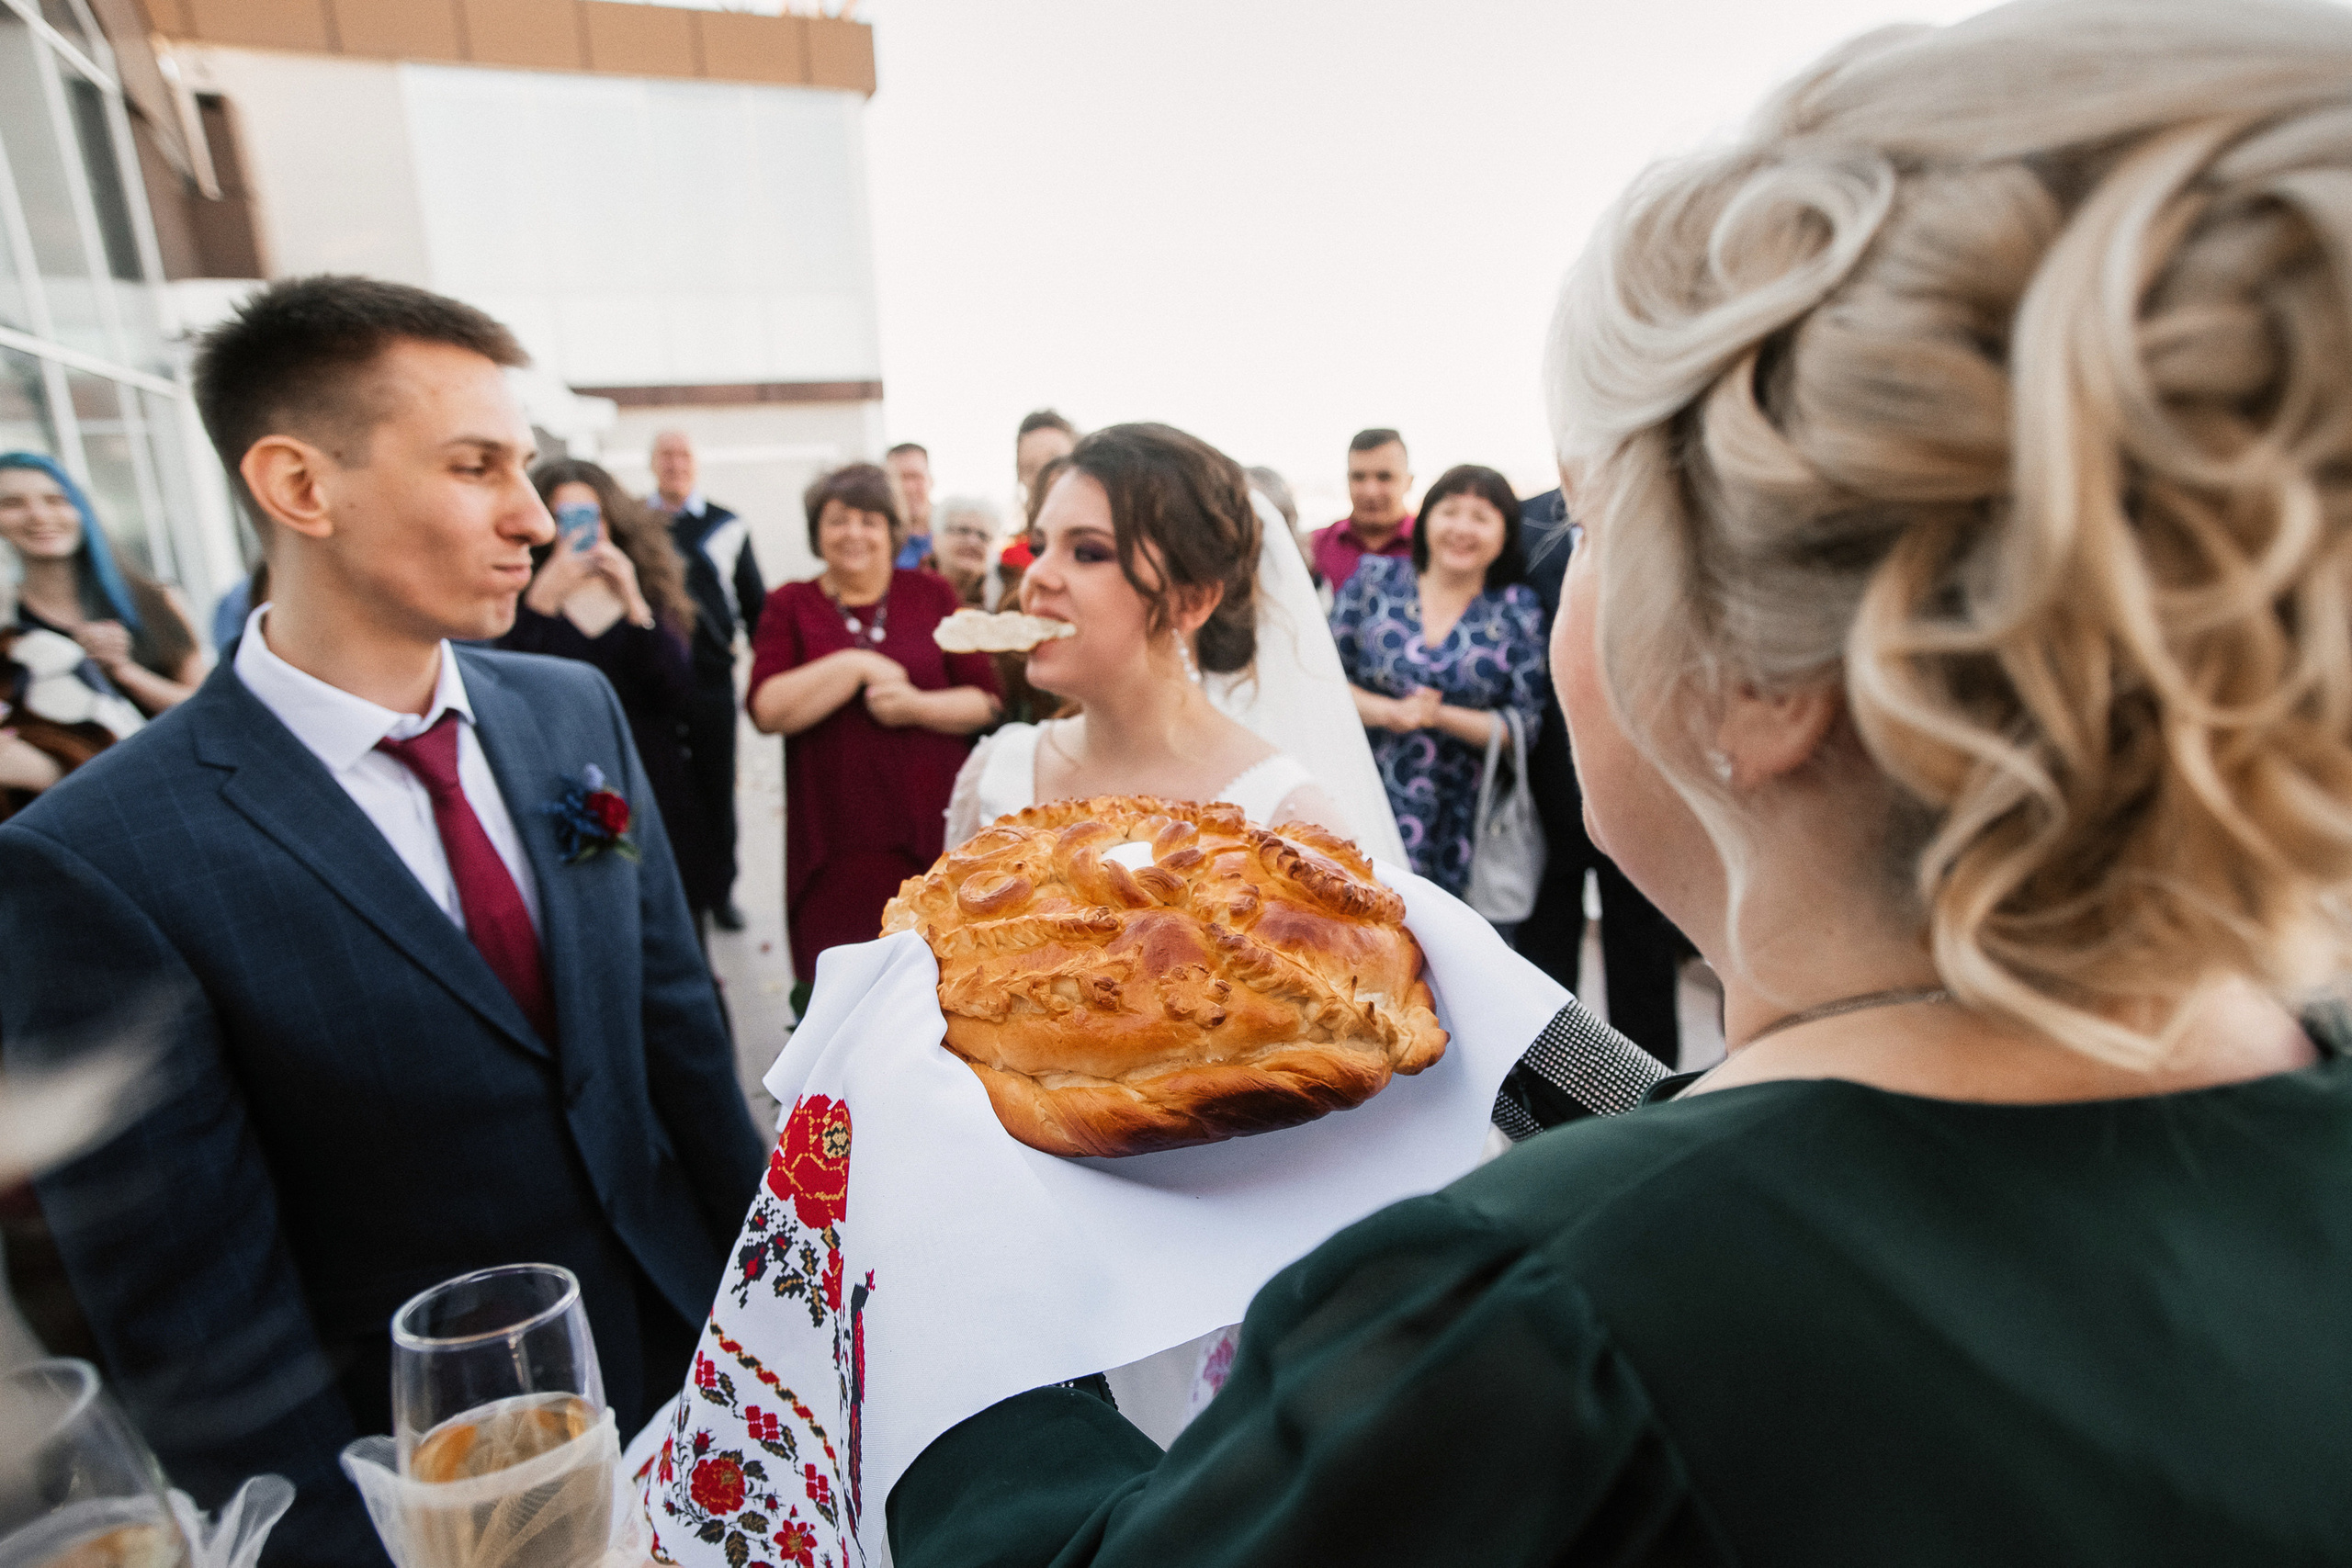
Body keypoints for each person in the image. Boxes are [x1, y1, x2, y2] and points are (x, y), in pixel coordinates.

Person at [886, 4, 2352, 1560]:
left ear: (1759, 681)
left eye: (1583, 525)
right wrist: (1583, 1070)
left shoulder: (1526, 1319)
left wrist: (959, 1275)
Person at [0, 276, 764, 1566]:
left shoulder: (568, 709)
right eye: (475, 467)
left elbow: (678, 1039)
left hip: (695, 1367)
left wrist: (777, 1325)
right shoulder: (97, 861)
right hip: (431, 1482)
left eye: (523, 465)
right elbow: (195, 1321)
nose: (533, 515)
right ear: (301, 486)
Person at [945, 424, 1353, 850]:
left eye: (1088, 553)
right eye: (1039, 548)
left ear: (1192, 600)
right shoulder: (997, 772)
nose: (1036, 576)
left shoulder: (1285, 820)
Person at [746, 463, 1001, 1014]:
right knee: (844, 1004)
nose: (854, 533)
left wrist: (916, 706)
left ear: (893, 530)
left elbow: (986, 702)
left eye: (869, 520)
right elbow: (767, 709)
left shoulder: (931, 594)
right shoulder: (790, 603)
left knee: (942, 1002)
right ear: (817, 531)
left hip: (933, 837)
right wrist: (855, 664)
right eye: (838, 520)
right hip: (835, 844)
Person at [501, 458, 722, 921]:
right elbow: (506, 689)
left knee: (670, 913)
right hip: (561, 779)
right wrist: (541, 601)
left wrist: (634, 602)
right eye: (565, 517)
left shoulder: (644, 583)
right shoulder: (517, 594)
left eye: (593, 515)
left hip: (649, 772)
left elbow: (678, 691)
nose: (583, 530)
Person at [1510, 487, 1688, 1065]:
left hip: (1647, 772)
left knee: (1644, 944)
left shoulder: (1664, 508)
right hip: (1547, 782)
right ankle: (1549, 1084)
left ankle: (1652, 1085)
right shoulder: (1527, 520)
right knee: (1547, 952)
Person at [1333, 463, 1547, 897]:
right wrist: (1391, 712)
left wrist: (1438, 715)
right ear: (1425, 518)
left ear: (1505, 534)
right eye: (1449, 511)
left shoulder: (1517, 609)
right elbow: (1323, 682)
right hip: (1361, 790)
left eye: (1481, 517)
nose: (1462, 528)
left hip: (1463, 816)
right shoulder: (1373, 581)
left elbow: (1523, 726)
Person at [647, 429, 763, 931]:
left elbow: (754, 604)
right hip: (651, 681)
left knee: (717, 787)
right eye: (666, 455)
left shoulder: (727, 525)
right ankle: (679, 895)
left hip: (711, 680)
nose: (675, 464)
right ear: (652, 462)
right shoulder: (636, 523)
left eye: (683, 455)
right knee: (667, 790)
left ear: (695, 463)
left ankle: (720, 892)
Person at [0, 453, 203, 715]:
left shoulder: (158, 599)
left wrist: (122, 670)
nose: (39, 516)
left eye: (56, 500)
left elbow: (206, 707)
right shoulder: (7, 624)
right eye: (12, 504)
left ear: (82, 509)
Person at [1306, 427, 1414, 592]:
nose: (1370, 491)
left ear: (1409, 482)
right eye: (1359, 477)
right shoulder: (1314, 546)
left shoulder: (1433, 545)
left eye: (1384, 477)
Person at [933, 495, 1007, 609]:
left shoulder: (1005, 599)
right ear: (936, 539)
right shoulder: (912, 587)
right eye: (963, 531)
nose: (973, 542)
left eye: (983, 535)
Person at [886, 441, 937, 570]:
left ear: (931, 480)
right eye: (899, 478)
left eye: (915, 476)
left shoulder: (954, 533)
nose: (908, 488)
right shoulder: (878, 541)